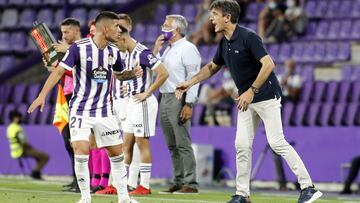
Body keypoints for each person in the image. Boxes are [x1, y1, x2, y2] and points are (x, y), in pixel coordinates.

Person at [175, 1, 322, 203]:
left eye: (215, 14)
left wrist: (252, 91)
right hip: (246, 99)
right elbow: (211, 67)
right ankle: (243, 195)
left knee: (277, 142)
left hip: (266, 95)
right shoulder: (224, 42)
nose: (211, 18)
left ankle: (308, 187)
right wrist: (189, 83)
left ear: (227, 17)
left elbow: (269, 64)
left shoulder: (248, 37)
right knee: (242, 145)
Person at [28, 11, 142, 203]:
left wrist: (132, 74)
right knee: (81, 152)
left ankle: (124, 198)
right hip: (81, 110)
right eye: (116, 26)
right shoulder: (78, 49)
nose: (119, 30)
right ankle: (85, 198)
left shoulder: (114, 52)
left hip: (105, 111)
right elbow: (58, 72)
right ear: (105, 28)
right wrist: (41, 96)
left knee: (117, 155)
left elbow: (120, 75)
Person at [116, 22, 169, 195]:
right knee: (127, 144)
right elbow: (135, 76)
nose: (117, 47)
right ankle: (121, 184)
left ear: (123, 39)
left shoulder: (143, 53)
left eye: (117, 43)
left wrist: (147, 92)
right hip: (132, 101)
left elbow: (163, 73)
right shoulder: (129, 54)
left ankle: (144, 186)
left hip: (143, 104)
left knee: (142, 143)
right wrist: (129, 87)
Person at [153, 14, 201, 194]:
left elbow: (194, 78)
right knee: (172, 144)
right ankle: (179, 180)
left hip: (179, 97)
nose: (163, 28)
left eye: (166, 26)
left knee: (182, 142)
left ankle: (191, 183)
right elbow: (155, 71)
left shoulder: (188, 49)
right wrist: (156, 50)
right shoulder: (168, 49)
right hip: (164, 97)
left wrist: (189, 104)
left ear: (177, 30)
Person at [43, 17, 81, 192]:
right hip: (65, 96)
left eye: (67, 32)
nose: (63, 35)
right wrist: (54, 68)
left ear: (76, 31)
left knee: (79, 143)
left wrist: (69, 51)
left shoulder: (84, 48)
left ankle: (84, 181)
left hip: (80, 97)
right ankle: (76, 179)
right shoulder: (68, 49)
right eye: (62, 32)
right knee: (68, 142)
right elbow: (65, 73)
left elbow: (84, 72)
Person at [6, 110, 49, 180]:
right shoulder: (17, 128)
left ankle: (35, 172)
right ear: (15, 118)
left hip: (14, 151)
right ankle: (35, 173)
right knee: (45, 156)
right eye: (19, 117)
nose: (20, 119)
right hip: (22, 150)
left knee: (39, 156)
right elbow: (23, 141)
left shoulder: (9, 127)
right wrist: (31, 147)